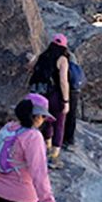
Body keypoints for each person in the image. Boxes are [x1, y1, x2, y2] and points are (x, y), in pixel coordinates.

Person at [28, 34, 70, 168]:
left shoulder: (43, 56)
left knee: (44, 121)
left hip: (39, 95)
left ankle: (45, 148)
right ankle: (54, 157)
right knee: (59, 123)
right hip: (55, 95)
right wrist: (66, 100)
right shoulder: (62, 59)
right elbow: (63, 81)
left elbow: (30, 67)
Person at [62, 51, 86, 149]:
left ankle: (64, 139)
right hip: (76, 90)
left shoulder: (64, 60)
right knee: (72, 116)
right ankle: (70, 140)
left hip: (68, 90)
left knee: (64, 115)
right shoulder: (74, 62)